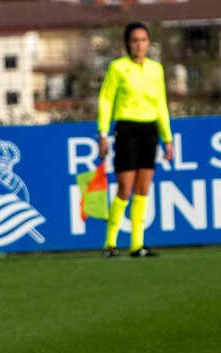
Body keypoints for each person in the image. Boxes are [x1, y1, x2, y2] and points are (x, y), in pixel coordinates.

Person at [97, 21, 173, 259]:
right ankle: (110, 243)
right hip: (127, 128)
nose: (139, 45)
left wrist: (167, 138)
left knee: (143, 188)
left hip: (149, 129)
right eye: (134, 40)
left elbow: (161, 103)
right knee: (125, 188)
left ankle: (137, 245)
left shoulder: (156, 69)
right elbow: (106, 99)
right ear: (128, 44)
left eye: (143, 40)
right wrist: (103, 132)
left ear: (149, 43)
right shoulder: (117, 68)